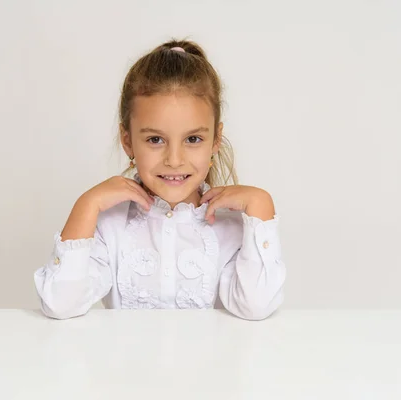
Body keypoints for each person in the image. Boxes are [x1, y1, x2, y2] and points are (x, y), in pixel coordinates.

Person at [34, 39, 286, 320]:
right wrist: (86, 205)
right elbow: (60, 303)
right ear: (127, 141)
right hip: (122, 365)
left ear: (215, 140)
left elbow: (256, 307)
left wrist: (261, 205)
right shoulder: (110, 226)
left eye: (193, 139)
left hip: (211, 365)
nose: (174, 159)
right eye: (155, 139)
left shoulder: (231, 227)